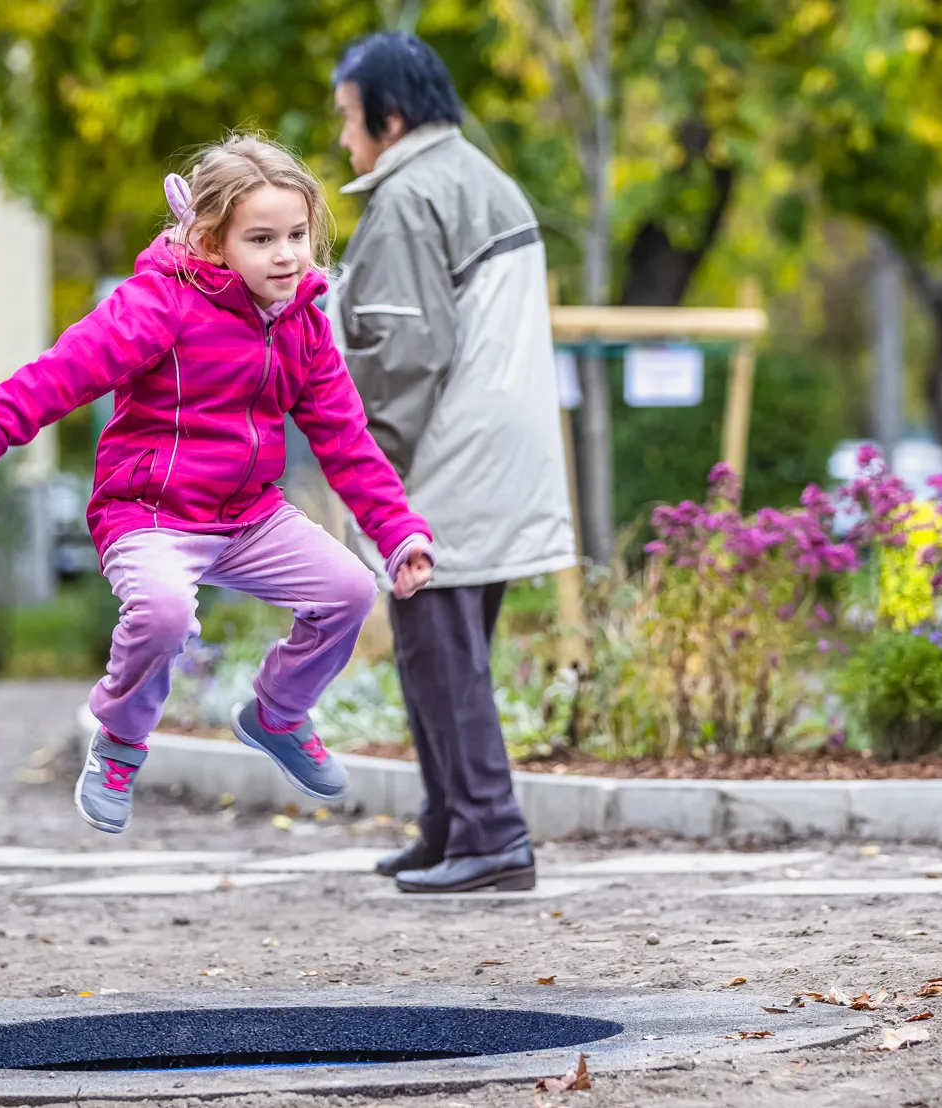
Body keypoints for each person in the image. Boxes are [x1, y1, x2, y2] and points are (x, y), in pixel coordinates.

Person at [0, 134, 435, 835]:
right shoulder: (159, 304)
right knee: (166, 614)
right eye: (261, 238)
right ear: (209, 239)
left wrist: (396, 532)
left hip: (248, 516)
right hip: (149, 515)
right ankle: (117, 743)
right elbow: (64, 371)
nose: (287, 254)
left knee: (349, 591)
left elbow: (347, 442)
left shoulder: (302, 328)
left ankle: (278, 714)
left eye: (297, 235)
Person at [331, 33, 576, 893]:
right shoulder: (480, 177)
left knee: (440, 650)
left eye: (350, 121)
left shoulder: (409, 197)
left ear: (390, 119)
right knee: (441, 651)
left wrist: (367, 467)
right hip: (502, 449)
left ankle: (491, 835)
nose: (344, 143)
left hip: (446, 455)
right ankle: (449, 825)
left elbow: (403, 350)